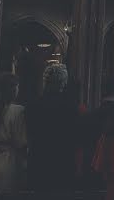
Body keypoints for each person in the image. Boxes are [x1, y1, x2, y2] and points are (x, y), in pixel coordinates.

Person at [26, 63, 79, 191]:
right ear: (63, 83)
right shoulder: (70, 107)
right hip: (62, 163)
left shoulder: (32, 106)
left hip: (38, 161)